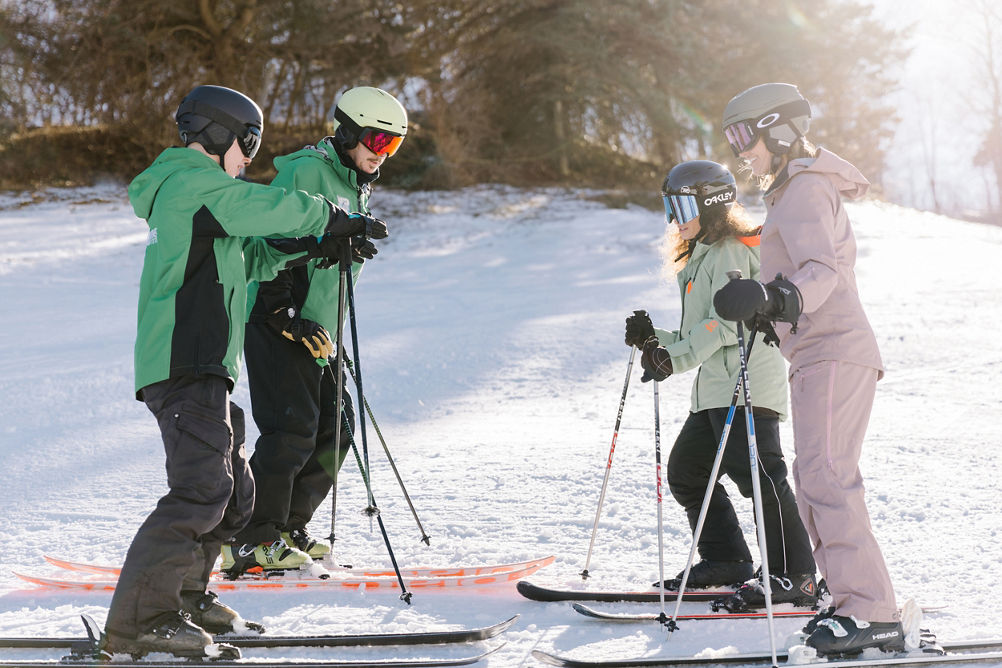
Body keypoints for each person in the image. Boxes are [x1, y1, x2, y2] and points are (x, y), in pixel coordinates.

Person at [103, 84, 385, 659]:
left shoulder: (207, 199)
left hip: (209, 366)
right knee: (200, 489)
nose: (250, 157)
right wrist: (327, 216)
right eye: (248, 143)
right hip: (184, 361)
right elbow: (260, 207)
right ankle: (140, 620)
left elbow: (252, 255)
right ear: (220, 134)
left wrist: (313, 249)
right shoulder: (187, 182)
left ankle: (186, 597)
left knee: (232, 496)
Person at [713, 83, 901, 655]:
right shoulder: (791, 193)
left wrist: (780, 300)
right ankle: (848, 601)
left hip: (836, 347)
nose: (741, 150)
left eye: (744, 136)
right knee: (813, 477)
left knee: (828, 475)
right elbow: (805, 275)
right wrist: (763, 305)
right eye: (732, 139)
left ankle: (870, 611)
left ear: (777, 128)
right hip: (819, 351)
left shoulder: (807, 188)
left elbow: (823, 269)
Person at [221, 86, 408, 574]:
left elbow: (322, 252)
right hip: (279, 320)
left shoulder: (354, 183)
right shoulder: (309, 171)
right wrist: (283, 312)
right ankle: (248, 538)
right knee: (291, 432)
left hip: (318, 327)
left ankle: (285, 527)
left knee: (335, 429)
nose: (380, 153)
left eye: (392, 145)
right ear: (347, 131)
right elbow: (267, 241)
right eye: (374, 140)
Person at [624, 160, 818, 613]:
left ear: (708, 202)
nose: (675, 217)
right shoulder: (704, 256)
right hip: (715, 390)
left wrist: (673, 356)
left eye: (681, 205)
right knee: (688, 471)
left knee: (760, 476)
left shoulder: (730, 250)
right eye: (670, 207)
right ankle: (728, 559)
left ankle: (797, 574)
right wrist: (656, 343)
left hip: (747, 387)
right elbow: (702, 332)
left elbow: (725, 328)